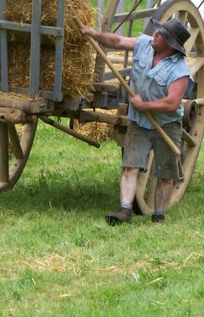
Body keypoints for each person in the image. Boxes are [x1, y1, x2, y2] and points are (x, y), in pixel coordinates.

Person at [82, 18, 194, 224]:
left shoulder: (180, 70)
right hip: (139, 122)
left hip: (167, 125)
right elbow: (117, 41)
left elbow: (171, 103)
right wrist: (94, 34)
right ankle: (125, 211)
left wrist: (145, 106)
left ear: (170, 44)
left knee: (165, 173)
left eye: (160, 35)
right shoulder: (145, 44)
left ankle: (159, 214)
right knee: (129, 166)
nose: (155, 35)